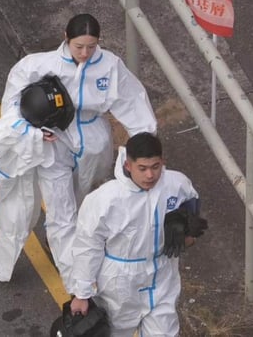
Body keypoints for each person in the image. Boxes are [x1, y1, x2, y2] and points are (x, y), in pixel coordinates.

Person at [0, 13, 158, 200]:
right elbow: (13, 100)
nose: (84, 53)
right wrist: (29, 131)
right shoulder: (40, 65)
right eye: (79, 47)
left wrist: (144, 147)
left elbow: (132, 102)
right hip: (56, 139)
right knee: (60, 206)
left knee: (89, 197)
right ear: (66, 37)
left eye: (91, 47)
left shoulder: (109, 66)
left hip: (95, 142)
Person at [68, 132, 206, 337]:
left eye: (155, 167)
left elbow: (192, 208)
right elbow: (88, 246)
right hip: (120, 285)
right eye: (142, 168)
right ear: (128, 165)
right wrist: (82, 293)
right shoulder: (105, 200)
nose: (149, 175)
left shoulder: (177, 185)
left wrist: (185, 226)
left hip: (162, 277)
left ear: (162, 162)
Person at [0, 74, 80, 282]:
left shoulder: (27, 116)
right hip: (15, 179)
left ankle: (71, 271)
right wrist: (36, 137)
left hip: (43, 165)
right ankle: (2, 271)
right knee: (14, 221)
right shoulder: (7, 129)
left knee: (60, 215)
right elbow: (0, 149)